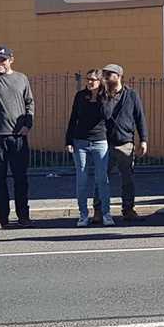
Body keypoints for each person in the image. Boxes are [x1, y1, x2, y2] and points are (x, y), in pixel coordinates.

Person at [96, 64, 148, 223]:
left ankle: (128, 209)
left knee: (127, 178)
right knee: (101, 178)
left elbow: (140, 118)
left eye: (109, 74)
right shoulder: (101, 95)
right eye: (104, 74)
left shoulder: (131, 95)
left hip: (125, 142)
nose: (105, 77)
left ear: (118, 76)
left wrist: (143, 140)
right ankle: (98, 210)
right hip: (104, 142)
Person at [0, 46, 34, 229]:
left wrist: (27, 124)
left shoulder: (21, 78)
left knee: (20, 178)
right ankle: (2, 218)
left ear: (11, 60)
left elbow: (29, 102)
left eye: (2, 59)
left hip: (18, 137)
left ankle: (23, 217)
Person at [65, 70, 113, 227]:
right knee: (82, 179)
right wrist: (69, 140)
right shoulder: (80, 96)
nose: (90, 82)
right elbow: (73, 118)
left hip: (100, 141)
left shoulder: (106, 96)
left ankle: (106, 214)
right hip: (81, 142)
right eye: (88, 79)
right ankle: (83, 215)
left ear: (100, 81)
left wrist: (102, 96)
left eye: (94, 80)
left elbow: (107, 115)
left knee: (102, 179)